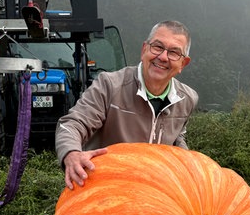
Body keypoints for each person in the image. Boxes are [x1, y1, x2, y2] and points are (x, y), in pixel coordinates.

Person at [55, 20, 199, 189]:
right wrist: (72, 153)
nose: (163, 57)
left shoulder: (187, 98)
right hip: (103, 187)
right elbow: (73, 123)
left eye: (174, 52)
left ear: (183, 63)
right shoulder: (109, 85)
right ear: (144, 49)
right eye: (157, 47)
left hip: (154, 191)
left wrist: (189, 164)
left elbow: (177, 137)